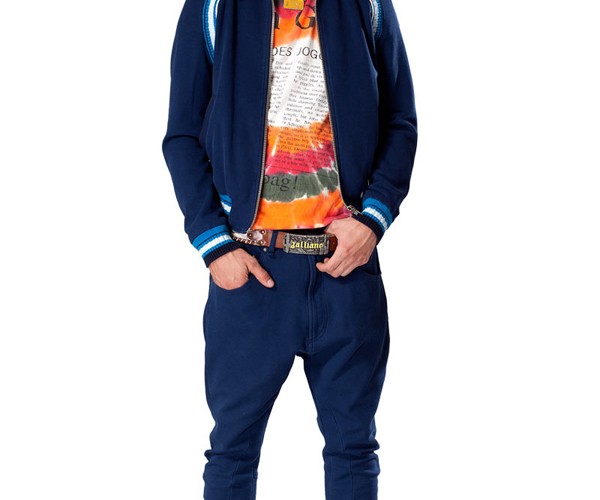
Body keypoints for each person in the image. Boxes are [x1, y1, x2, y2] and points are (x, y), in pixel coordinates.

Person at [161, 0, 417, 498]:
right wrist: (214, 246)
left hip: (345, 268)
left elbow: (400, 120)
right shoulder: (213, 6)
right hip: (253, 270)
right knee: (232, 451)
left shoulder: (367, 5)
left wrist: (372, 221)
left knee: (353, 449)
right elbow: (182, 135)